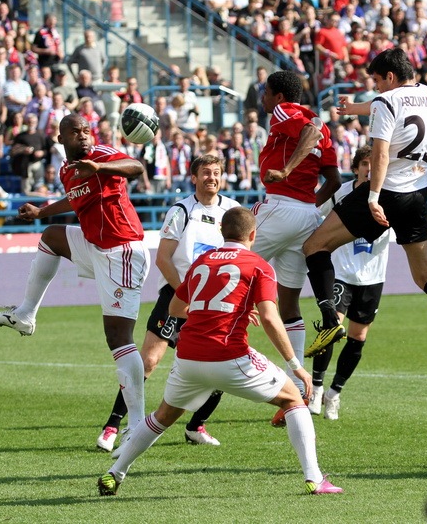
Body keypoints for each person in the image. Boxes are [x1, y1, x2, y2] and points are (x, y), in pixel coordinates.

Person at [96, 207, 343, 497]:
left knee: (162, 416)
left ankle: (115, 472)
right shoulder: (259, 265)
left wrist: (214, 311)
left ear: (222, 232)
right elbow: (270, 317)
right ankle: (315, 478)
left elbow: (175, 308)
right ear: (253, 234)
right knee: (292, 399)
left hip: (188, 358)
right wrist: (295, 364)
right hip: (228, 355)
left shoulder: (203, 261)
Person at [0, 114, 150, 442]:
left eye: (87, 130)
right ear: (61, 139)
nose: (84, 136)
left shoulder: (101, 155)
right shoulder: (66, 170)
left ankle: (136, 424)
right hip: (95, 246)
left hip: (123, 251)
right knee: (51, 237)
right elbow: (75, 198)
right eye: (76, 132)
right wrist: (41, 212)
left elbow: (136, 167)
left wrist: (99, 168)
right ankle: (26, 315)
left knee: (118, 337)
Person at [302, 48, 427, 361]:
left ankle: (329, 321)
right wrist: (354, 108)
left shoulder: (386, 101)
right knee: (424, 275)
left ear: (391, 77)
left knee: (314, 246)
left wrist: (372, 197)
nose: (378, 87)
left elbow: (380, 153)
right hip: (418, 194)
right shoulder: (426, 94)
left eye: (379, 81)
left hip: (387, 192)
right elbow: (385, 104)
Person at [97, 154, 240, 453]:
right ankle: (112, 426)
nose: (212, 178)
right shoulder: (181, 210)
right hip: (178, 295)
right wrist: (187, 294)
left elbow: (239, 257)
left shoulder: (232, 210)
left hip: (213, 302)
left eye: (216, 173)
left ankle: (196, 427)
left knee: (221, 366)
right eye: (206, 173)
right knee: (148, 361)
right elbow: (163, 259)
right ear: (194, 178)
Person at [252, 70, 342, 426]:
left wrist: (287, 170)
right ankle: (300, 387)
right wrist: (309, 207)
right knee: (288, 303)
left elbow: (311, 131)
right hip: (306, 215)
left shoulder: (285, 111)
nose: (263, 99)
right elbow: (334, 179)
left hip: (279, 207)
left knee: (225, 266)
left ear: (277, 95)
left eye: (265, 92)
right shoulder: (323, 127)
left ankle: (202, 345)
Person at [308, 145, 389, 421]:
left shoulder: (389, 195)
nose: (370, 168)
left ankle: (334, 393)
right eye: (365, 164)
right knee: (332, 328)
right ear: (356, 168)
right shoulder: (340, 193)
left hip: (373, 276)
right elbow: (316, 217)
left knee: (358, 338)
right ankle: (316, 388)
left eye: (374, 163)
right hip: (341, 273)